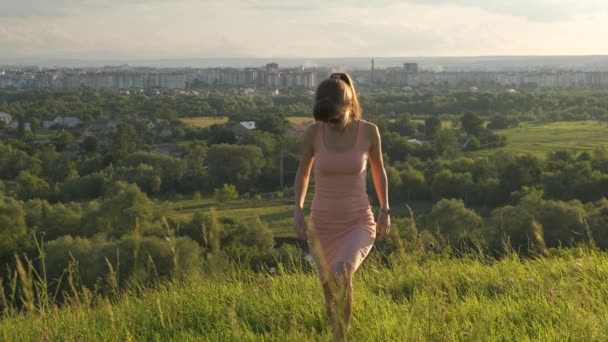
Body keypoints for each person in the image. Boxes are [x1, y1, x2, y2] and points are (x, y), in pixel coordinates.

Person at [293, 72, 391, 340]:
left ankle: (341, 338)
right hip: (321, 224)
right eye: (325, 120)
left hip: (358, 220)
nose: (331, 124)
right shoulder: (314, 133)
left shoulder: (369, 131)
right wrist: (298, 210)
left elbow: (378, 171)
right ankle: (336, 334)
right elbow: (302, 172)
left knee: (342, 271)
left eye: (335, 118)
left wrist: (385, 209)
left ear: (349, 105)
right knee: (329, 292)